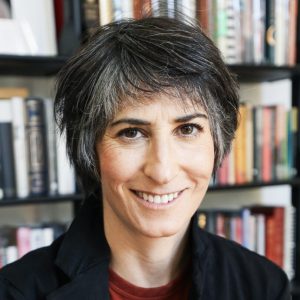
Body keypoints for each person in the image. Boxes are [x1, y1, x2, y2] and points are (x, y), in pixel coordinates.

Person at [0, 16, 290, 300]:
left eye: (187, 129)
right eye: (131, 133)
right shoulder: (17, 291)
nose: (161, 171)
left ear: (218, 140)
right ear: (90, 150)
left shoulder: (264, 286)